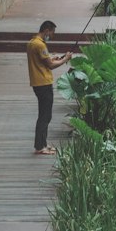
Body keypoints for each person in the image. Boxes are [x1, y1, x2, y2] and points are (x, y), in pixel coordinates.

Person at [27, 18, 73, 156]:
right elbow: (50, 65)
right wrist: (65, 59)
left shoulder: (32, 42)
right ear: (46, 30)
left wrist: (57, 57)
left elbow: (44, 60)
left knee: (45, 114)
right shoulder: (40, 45)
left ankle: (43, 144)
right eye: (52, 33)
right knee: (45, 116)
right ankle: (40, 146)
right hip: (43, 83)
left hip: (38, 82)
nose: (52, 35)